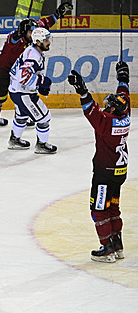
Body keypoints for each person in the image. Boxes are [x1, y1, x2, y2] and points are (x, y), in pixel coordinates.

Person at [68, 62, 131, 263]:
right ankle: (118, 246)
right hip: (120, 173)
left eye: (110, 104)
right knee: (113, 207)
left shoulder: (106, 122)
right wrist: (123, 79)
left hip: (105, 174)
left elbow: (90, 110)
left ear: (114, 109)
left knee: (98, 209)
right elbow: (124, 96)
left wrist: (82, 90)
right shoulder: (125, 116)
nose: (107, 105)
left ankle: (107, 249)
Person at [0, 2, 72, 127]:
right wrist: (18, 33)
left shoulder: (31, 36)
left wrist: (57, 15)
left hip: (13, 69)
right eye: (31, 32)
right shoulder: (15, 40)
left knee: (20, 91)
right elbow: (13, 38)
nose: (34, 34)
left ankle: (21, 117)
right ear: (24, 32)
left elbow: (44, 24)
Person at [7, 27, 57, 153]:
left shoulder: (33, 51)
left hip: (17, 91)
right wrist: (41, 81)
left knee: (22, 115)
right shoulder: (33, 55)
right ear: (38, 42)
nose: (49, 42)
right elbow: (22, 76)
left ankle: (14, 140)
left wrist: (38, 85)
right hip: (23, 93)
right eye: (46, 40)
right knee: (44, 118)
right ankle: (41, 145)